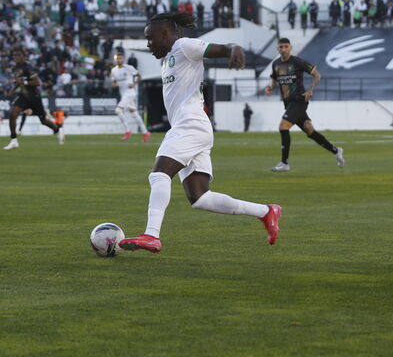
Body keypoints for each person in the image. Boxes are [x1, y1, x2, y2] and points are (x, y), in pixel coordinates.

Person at [118, 13, 281, 254]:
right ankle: (266, 212)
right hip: (194, 127)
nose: (148, 45)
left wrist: (233, 48)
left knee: (159, 175)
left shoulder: (183, 45)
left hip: (190, 124)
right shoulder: (168, 59)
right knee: (200, 198)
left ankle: (151, 235)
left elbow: (221, 48)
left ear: (165, 34)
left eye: (150, 39)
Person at [264, 38, 344, 172]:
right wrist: (270, 87)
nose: (283, 49)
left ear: (291, 48)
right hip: (288, 104)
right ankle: (336, 150)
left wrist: (310, 90)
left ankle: (285, 163)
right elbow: (274, 79)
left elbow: (317, 75)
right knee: (310, 131)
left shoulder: (297, 62)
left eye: (286, 46)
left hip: (299, 101)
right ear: (277, 48)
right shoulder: (276, 64)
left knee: (283, 126)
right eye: (281, 47)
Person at [3, 50, 63, 150]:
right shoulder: (15, 69)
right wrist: (12, 90)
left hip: (34, 97)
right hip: (23, 96)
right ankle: (14, 141)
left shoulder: (28, 67)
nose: (16, 57)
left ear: (23, 56)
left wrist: (24, 82)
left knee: (43, 121)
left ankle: (57, 130)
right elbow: (19, 82)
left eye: (18, 55)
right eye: (14, 56)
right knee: (12, 114)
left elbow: (38, 82)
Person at [110, 52, 150, 142]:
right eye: (117, 58)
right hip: (123, 94)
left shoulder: (128, 67)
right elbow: (114, 82)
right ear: (115, 59)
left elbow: (139, 76)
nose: (118, 60)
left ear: (123, 59)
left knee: (118, 110)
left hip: (130, 93)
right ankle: (145, 132)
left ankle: (127, 131)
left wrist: (134, 83)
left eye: (120, 58)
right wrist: (113, 84)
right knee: (134, 114)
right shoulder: (114, 70)